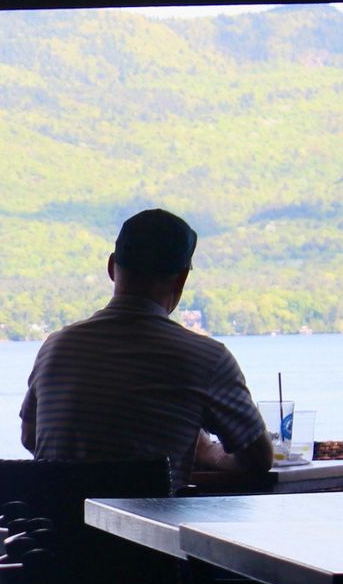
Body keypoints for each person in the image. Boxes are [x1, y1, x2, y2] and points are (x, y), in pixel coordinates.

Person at [20, 208, 272, 487]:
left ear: (111, 267)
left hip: (54, 527)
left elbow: (31, 437)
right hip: (143, 531)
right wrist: (206, 451)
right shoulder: (206, 359)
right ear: (181, 279)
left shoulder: (55, 347)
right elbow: (258, 459)